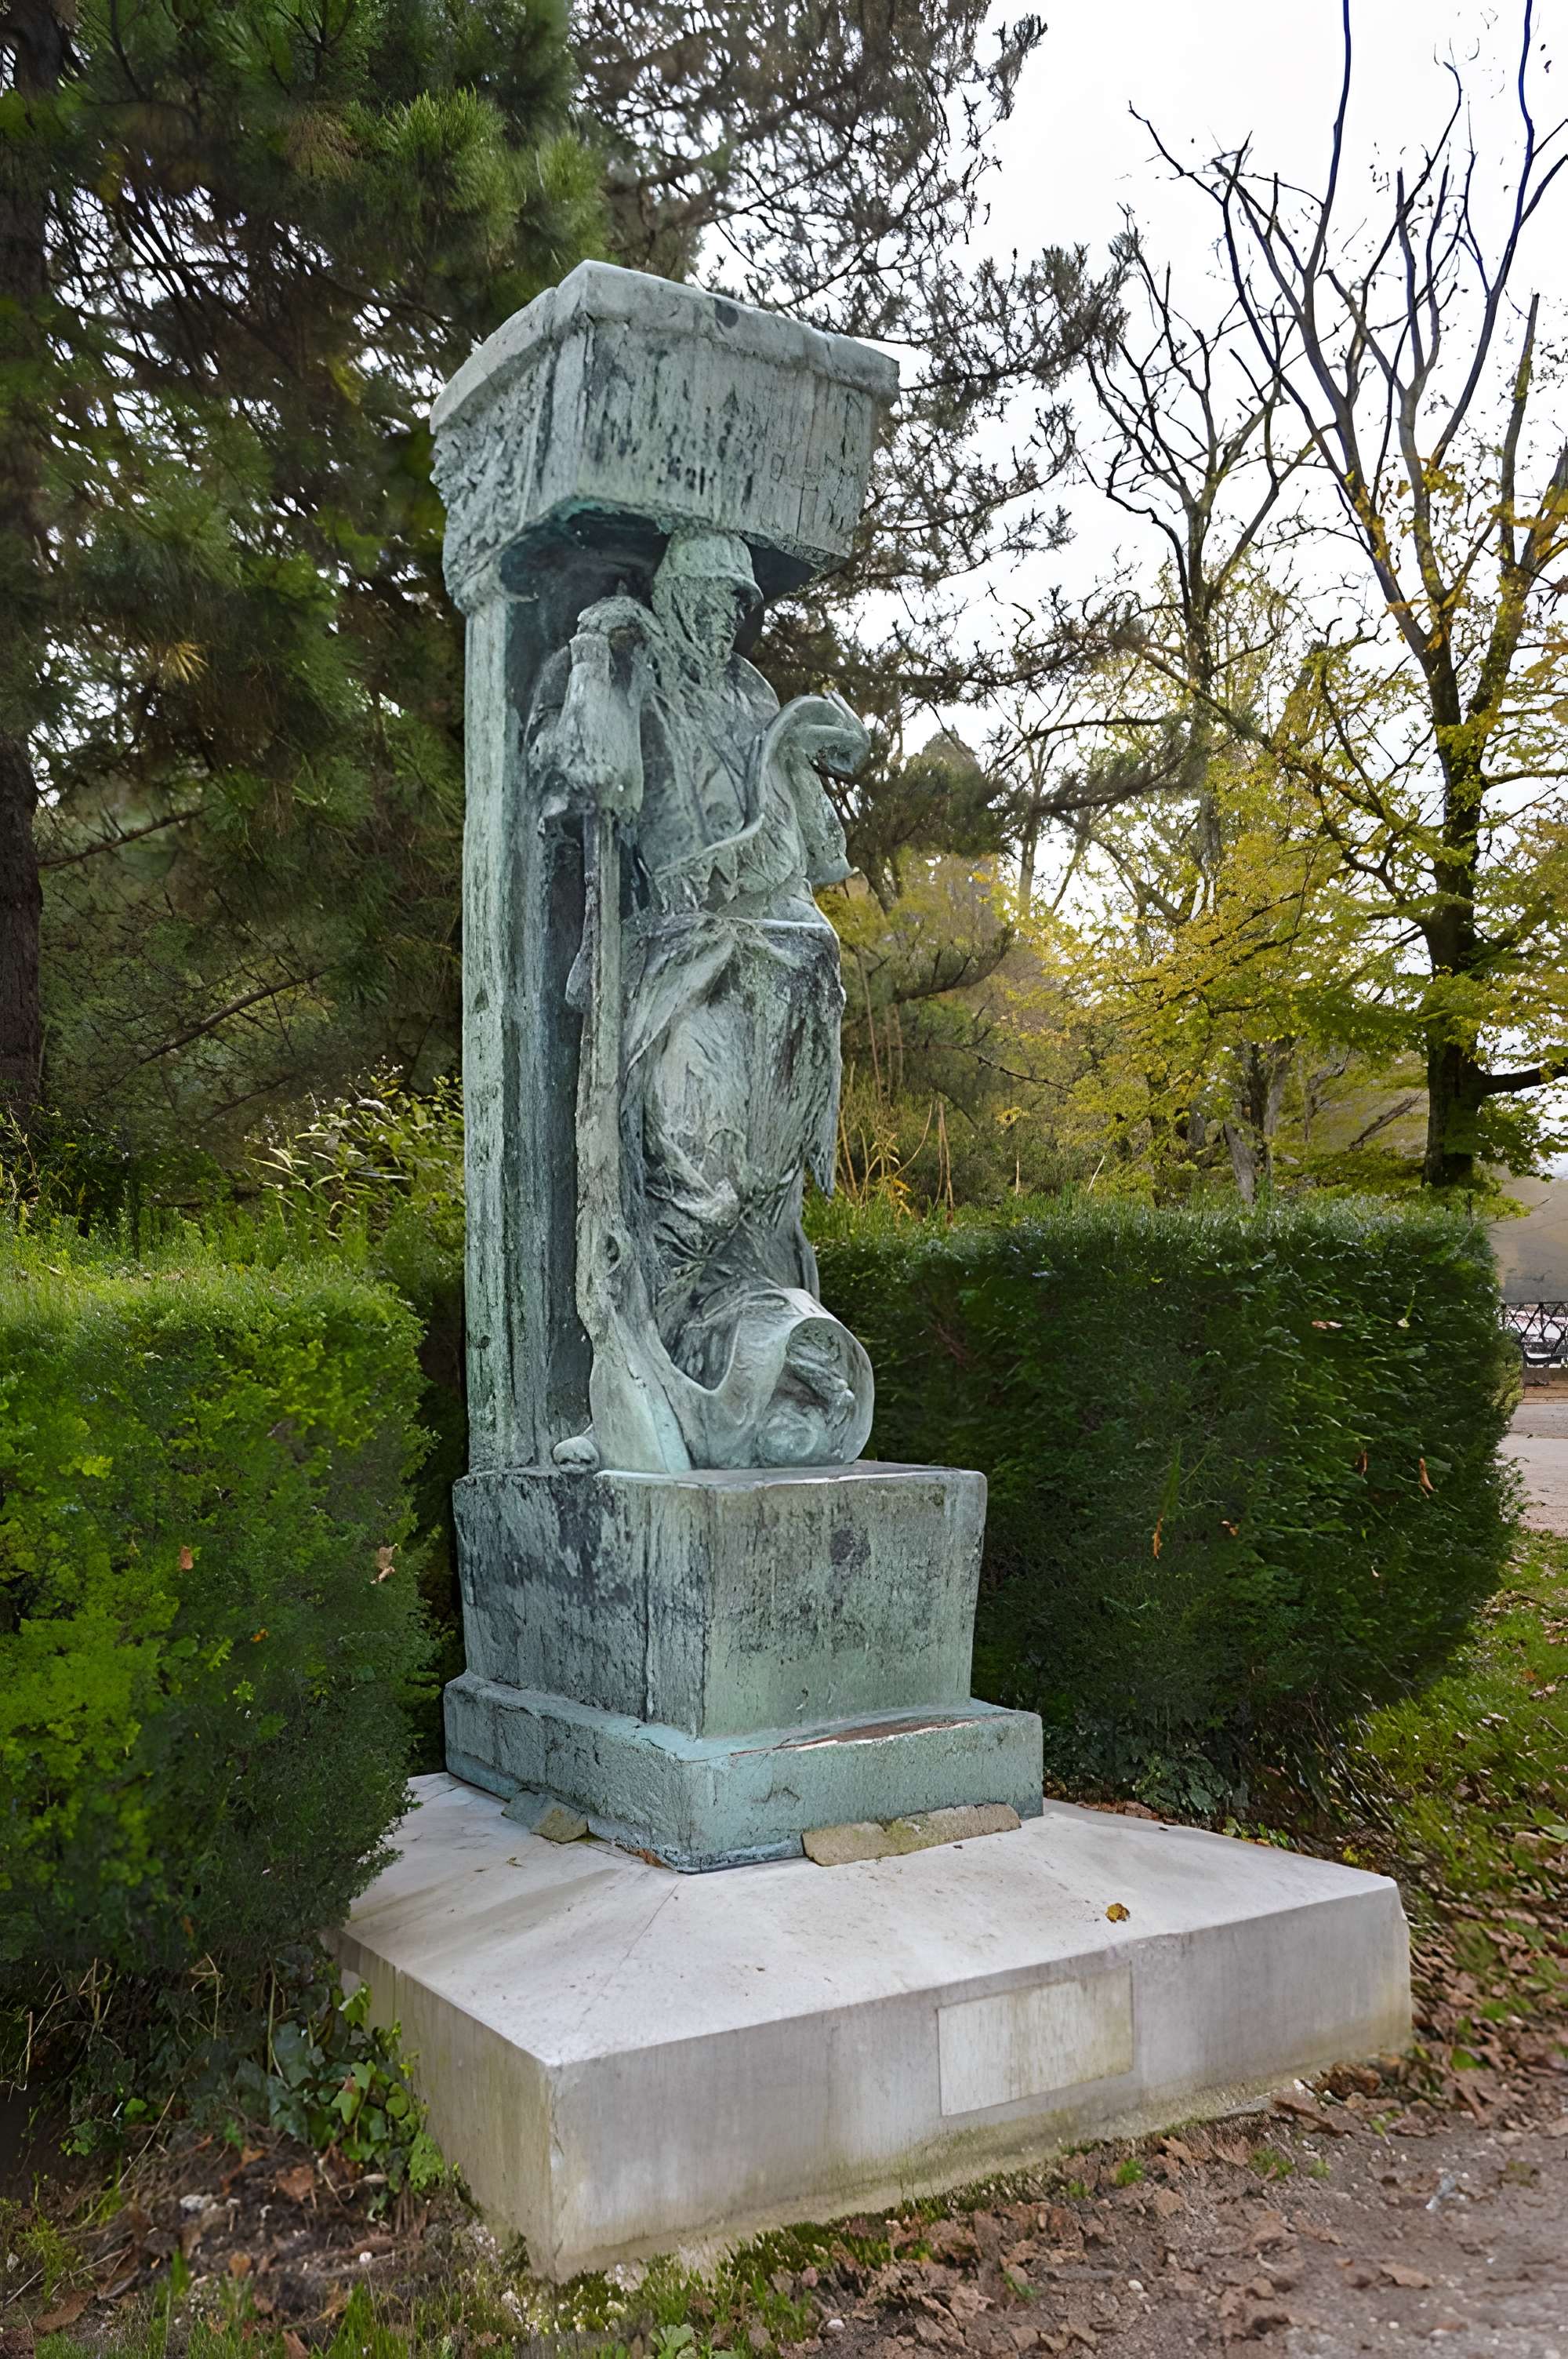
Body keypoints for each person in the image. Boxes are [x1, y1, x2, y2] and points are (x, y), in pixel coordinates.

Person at [528, 528, 875, 1472]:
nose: (724, 619)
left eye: (736, 603)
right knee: (693, 1183)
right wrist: (598, 661)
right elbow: (603, 784)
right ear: (675, 599)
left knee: (756, 1194)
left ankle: (732, 1376)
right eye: (708, 599)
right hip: (682, 954)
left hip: (774, 963)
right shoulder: (634, 673)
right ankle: (629, 1386)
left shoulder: (753, 693)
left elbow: (810, 848)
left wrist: (809, 748)